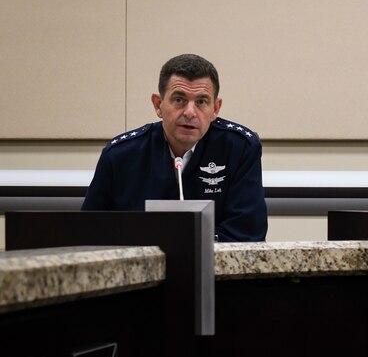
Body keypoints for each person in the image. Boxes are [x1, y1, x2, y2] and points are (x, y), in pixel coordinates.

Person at [82, 53, 268, 242]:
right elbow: (89, 232)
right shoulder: (120, 155)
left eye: (201, 102)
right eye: (179, 100)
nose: (189, 112)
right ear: (158, 105)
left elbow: (248, 233)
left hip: (214, 268)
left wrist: (189, 244)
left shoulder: (240, 148)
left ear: (216, 108)